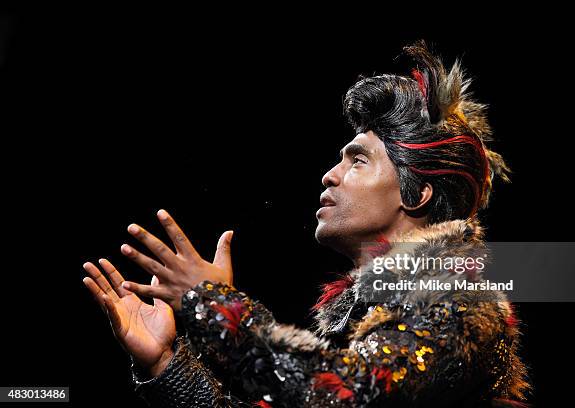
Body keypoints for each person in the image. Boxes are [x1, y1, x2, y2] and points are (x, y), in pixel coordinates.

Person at [82, 41, 530, 407]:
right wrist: (166, 364)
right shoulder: (375, 315)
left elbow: (342, 392)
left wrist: (215, 305)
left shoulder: (457, 303)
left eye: (358, 161)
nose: (330, 174)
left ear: (417, 193)